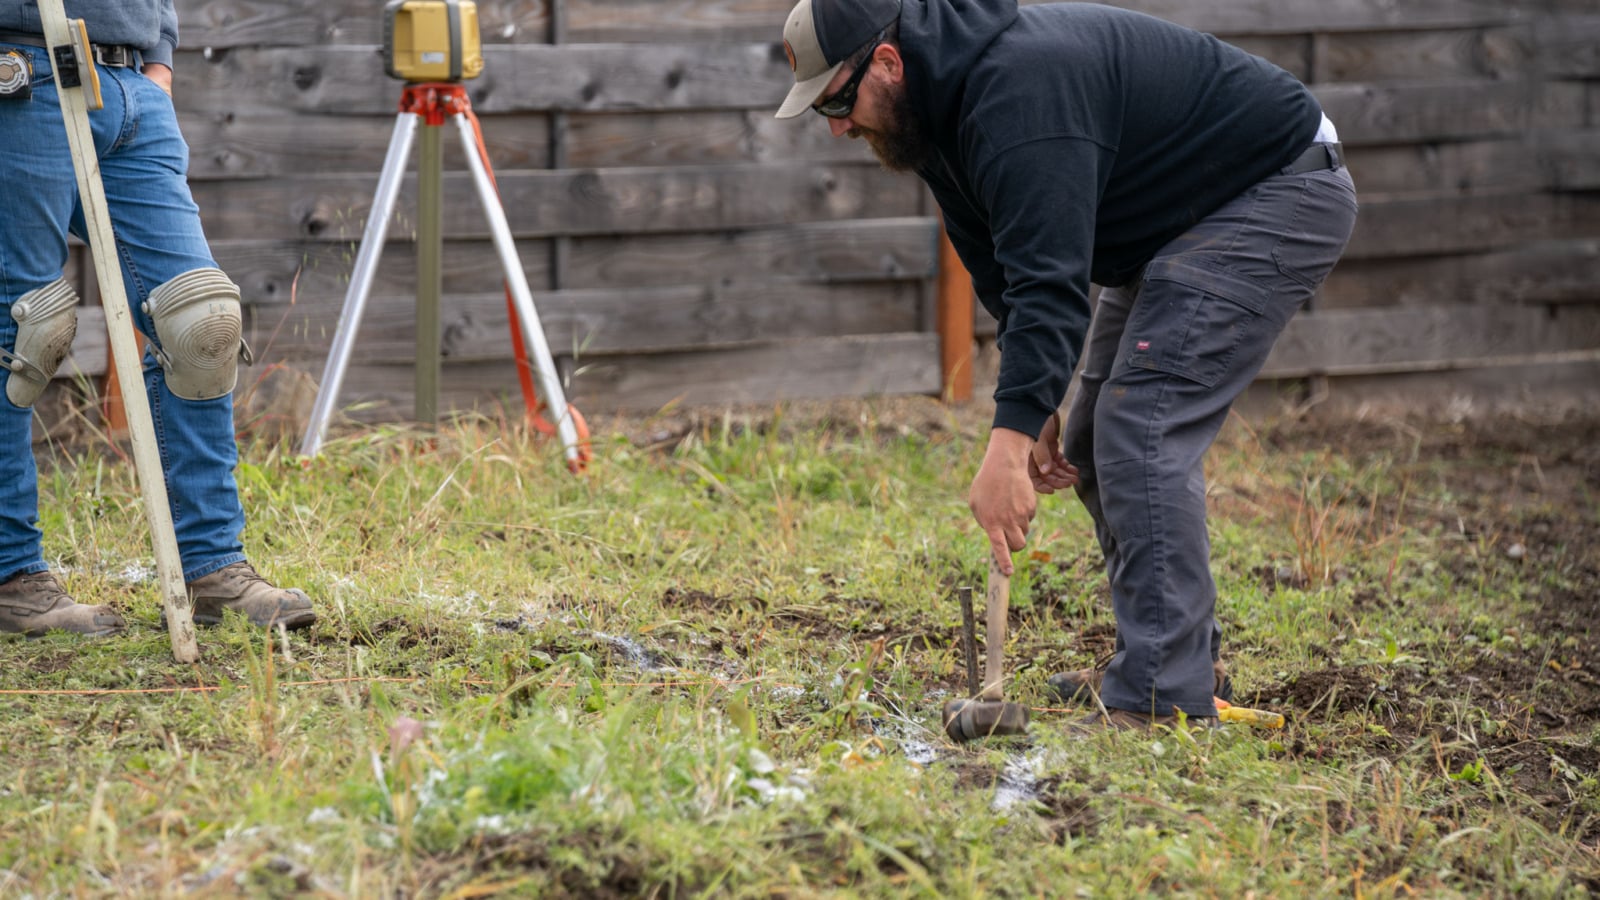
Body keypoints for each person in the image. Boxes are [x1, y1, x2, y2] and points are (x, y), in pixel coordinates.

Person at [777, 0, 1357, 729]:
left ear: (887, 64)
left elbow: (1055, 290)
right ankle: (1172, 661)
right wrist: (1038, 410)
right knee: (1087, 439)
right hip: (1178, 218)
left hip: (1274, 190)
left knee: (1140, 422)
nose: (836, 126)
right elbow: (1007, 272)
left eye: (836, 99)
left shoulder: (1018, 92)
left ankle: (1160, 697)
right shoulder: (937, 117)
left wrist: (1005, 452)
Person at [0, 0, 316, 636]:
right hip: (21, 71)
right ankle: (12, 577)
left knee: (200, 321)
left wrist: (160, 56)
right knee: (23, 328)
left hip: (131, 84)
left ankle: (213, 568)